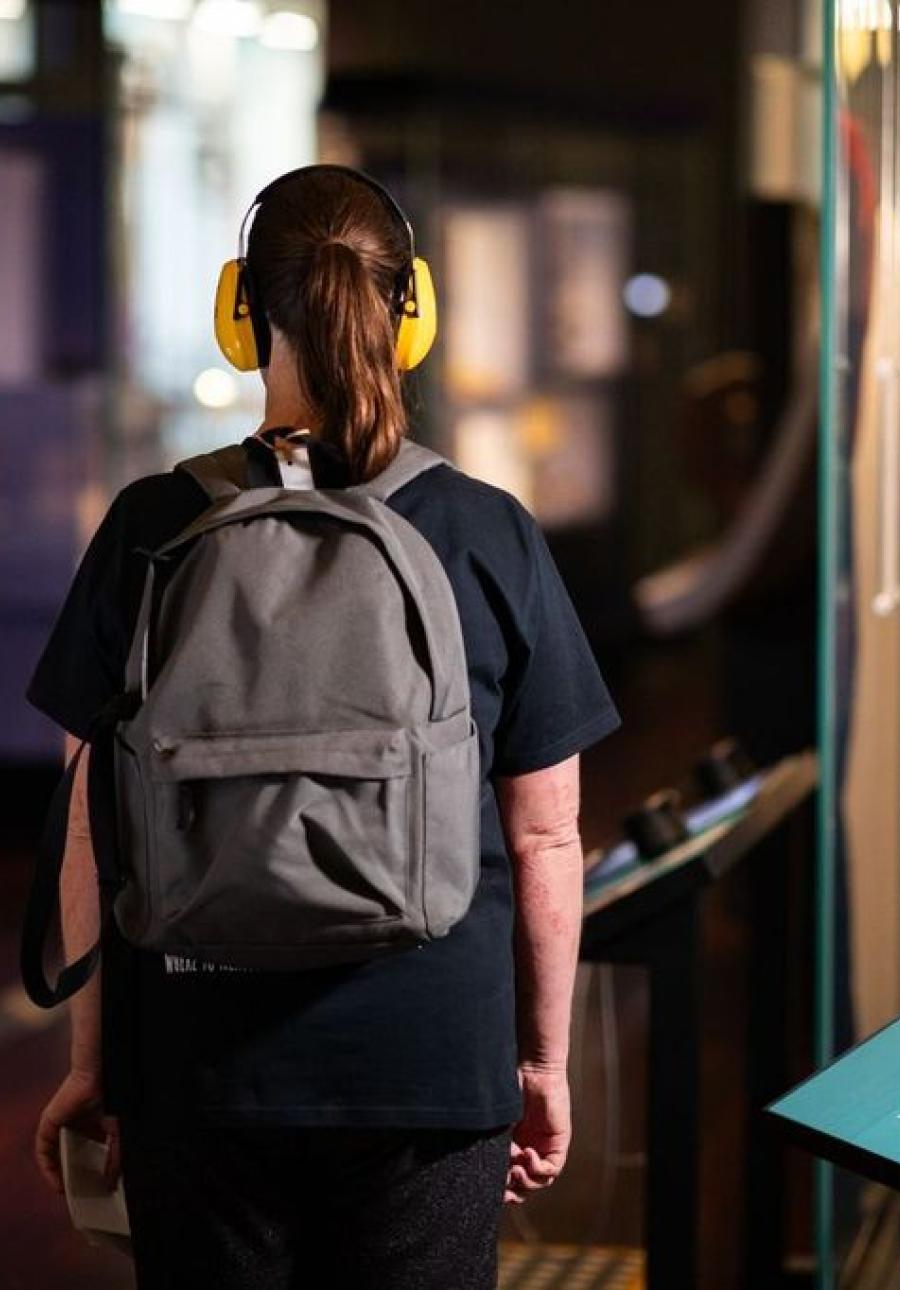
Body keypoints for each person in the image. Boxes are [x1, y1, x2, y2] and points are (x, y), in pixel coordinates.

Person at [25, 166, 621, 1289]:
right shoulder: (487, 534)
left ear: (241, 314)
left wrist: (93, 1060)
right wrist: (539, 1063)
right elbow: (546, 838)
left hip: (197, 1063)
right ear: (415, 315)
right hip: (433, 1066)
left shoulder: (153, 527)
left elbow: (89, 829)